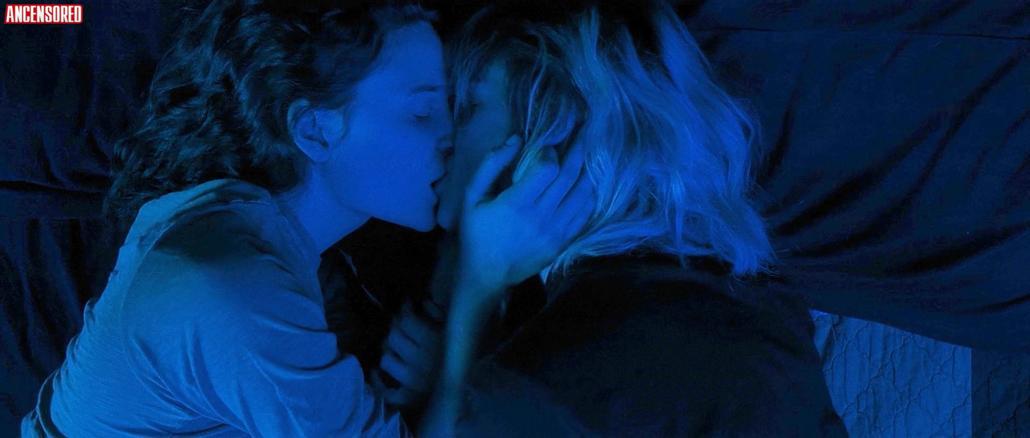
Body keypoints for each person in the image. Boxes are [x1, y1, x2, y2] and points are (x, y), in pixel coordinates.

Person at [21, 0, 592, 436]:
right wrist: (479, 284)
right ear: (314, 130)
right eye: (423, 112)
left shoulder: (252, 234)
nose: (450, 137)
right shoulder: (230, 287)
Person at [421, 1, 850, 435]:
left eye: (467, 107)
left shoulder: (543, 381)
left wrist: (478, 286)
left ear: (554, 129)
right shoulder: (762, 298)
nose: (442, 138)